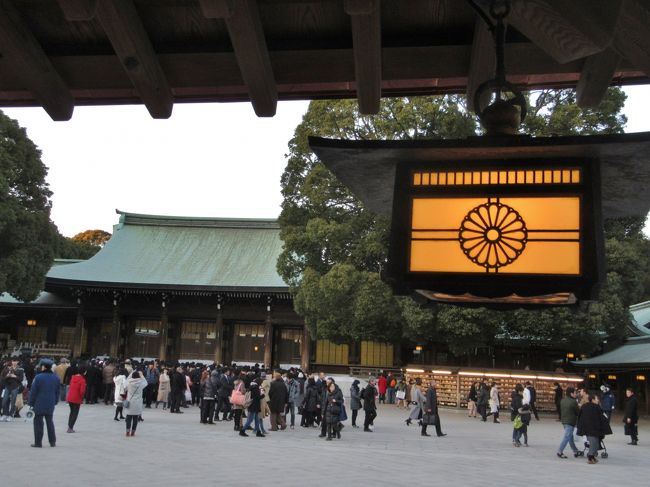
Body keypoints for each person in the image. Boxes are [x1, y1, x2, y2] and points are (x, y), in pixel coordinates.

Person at [27, 359, 60, 447]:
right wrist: (55, 401)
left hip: (39, 403)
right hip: (50, 403)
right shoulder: (56, 378)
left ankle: (38, 442)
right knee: (50, 422)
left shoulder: (38, 377)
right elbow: (57, 392)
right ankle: (52, 442)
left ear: (44, 367)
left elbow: (33, 392)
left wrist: (30, 403)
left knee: (38, 423)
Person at [577, 394, 612, 463]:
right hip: (592, 429)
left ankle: (592, 456)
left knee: (595, 443)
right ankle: (590, 457)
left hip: (589, 429)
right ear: (592, 400)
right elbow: (602, 417)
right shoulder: (596, 407)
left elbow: (580, 417)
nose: (598, 400)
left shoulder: (585, 406)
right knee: (593, 443)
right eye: (597, 399)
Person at [556, 386, 581, 458]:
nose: (576, 394)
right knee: (567, 437)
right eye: (575, 393)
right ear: (571, 393)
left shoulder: (563, 400)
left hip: (564, 421)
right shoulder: (573, 402)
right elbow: (578, 412)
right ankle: (560, 451)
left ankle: (575, 451)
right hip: (570, 421)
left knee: (570, 437)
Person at [123, 370, 147, 437]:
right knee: (135, 418)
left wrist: (131, 374)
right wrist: (142, 375)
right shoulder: (141, 383)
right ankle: (133, 432)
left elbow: (125, 382)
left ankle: (127, 431)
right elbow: (146, 382)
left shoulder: (129, 383)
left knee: (128, 417)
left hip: (130, 402)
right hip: (138, 403)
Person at [1, 357, 24, 421]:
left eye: (15, 361)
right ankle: (5, 414)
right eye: (13, 361)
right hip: (7, 386)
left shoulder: (20, 369)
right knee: (4, 401)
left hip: (15, 387)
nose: (14, 362)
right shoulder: (8, 368)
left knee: (13, 402)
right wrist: (8, 375)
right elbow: (3, 378)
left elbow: (21, 379)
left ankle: (11, 415)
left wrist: (15, 376)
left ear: (17, 362)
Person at [65, 363, 87, 433]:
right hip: (77, 398)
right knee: (75, 413)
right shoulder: (82, 380)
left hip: (70, 397)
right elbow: (82, 391)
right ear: (84, 372)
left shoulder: (73, 377)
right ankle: (70, 427)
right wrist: (82, 398)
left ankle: (69, 425)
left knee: (71, 412)